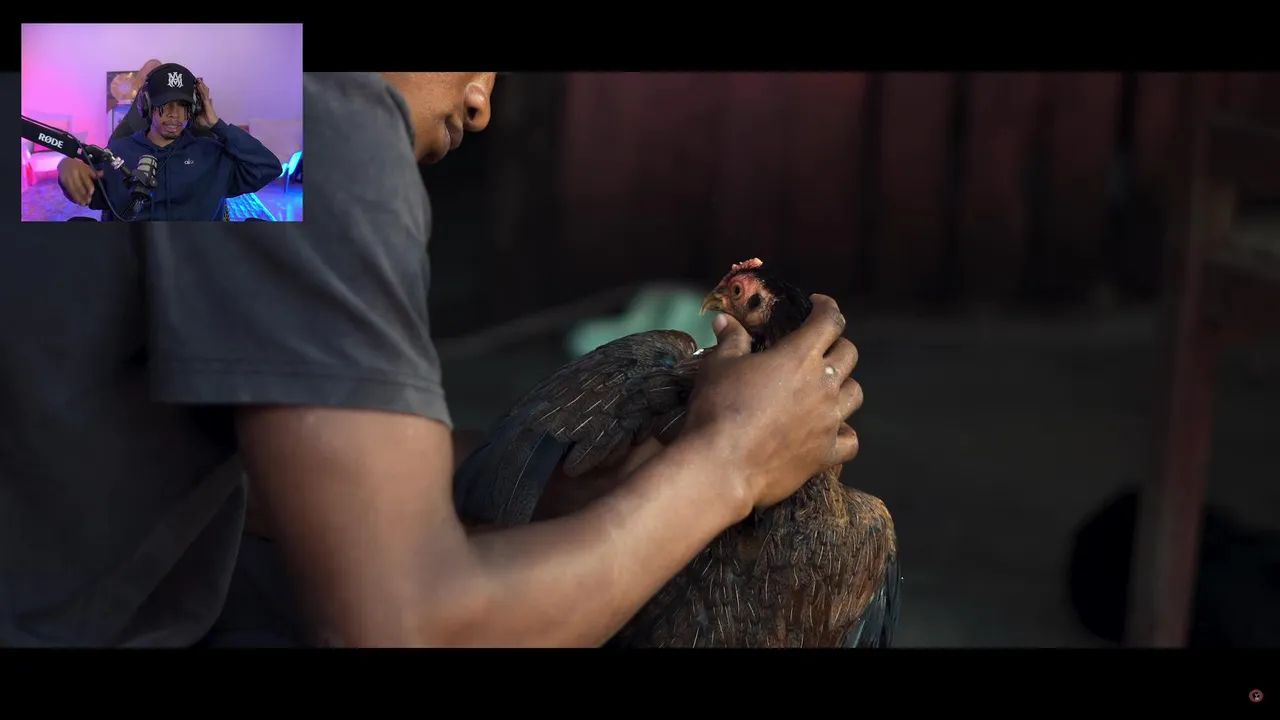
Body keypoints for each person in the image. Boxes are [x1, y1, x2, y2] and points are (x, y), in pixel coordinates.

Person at [0, 72, 864, 648]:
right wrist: (731, 463)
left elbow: (190, 451)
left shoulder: (138, 67)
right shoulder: (320, 122)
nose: (481, 102)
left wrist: (536, 484)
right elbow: (408, 626)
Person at [55, 62, 281, 221]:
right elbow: (88, 191)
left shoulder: (212, 154)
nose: (175, 114)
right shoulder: (118, 151)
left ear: (195, 109)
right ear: (147, 106)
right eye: (165, 104)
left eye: (183, 105)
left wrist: (217, 125)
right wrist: (66, 167)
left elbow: (268, 167)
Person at [109, 59, 215, 143]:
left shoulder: (198, 134)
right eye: (146, 80)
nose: (174, 114)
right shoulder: (126, 134)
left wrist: (214, 124)